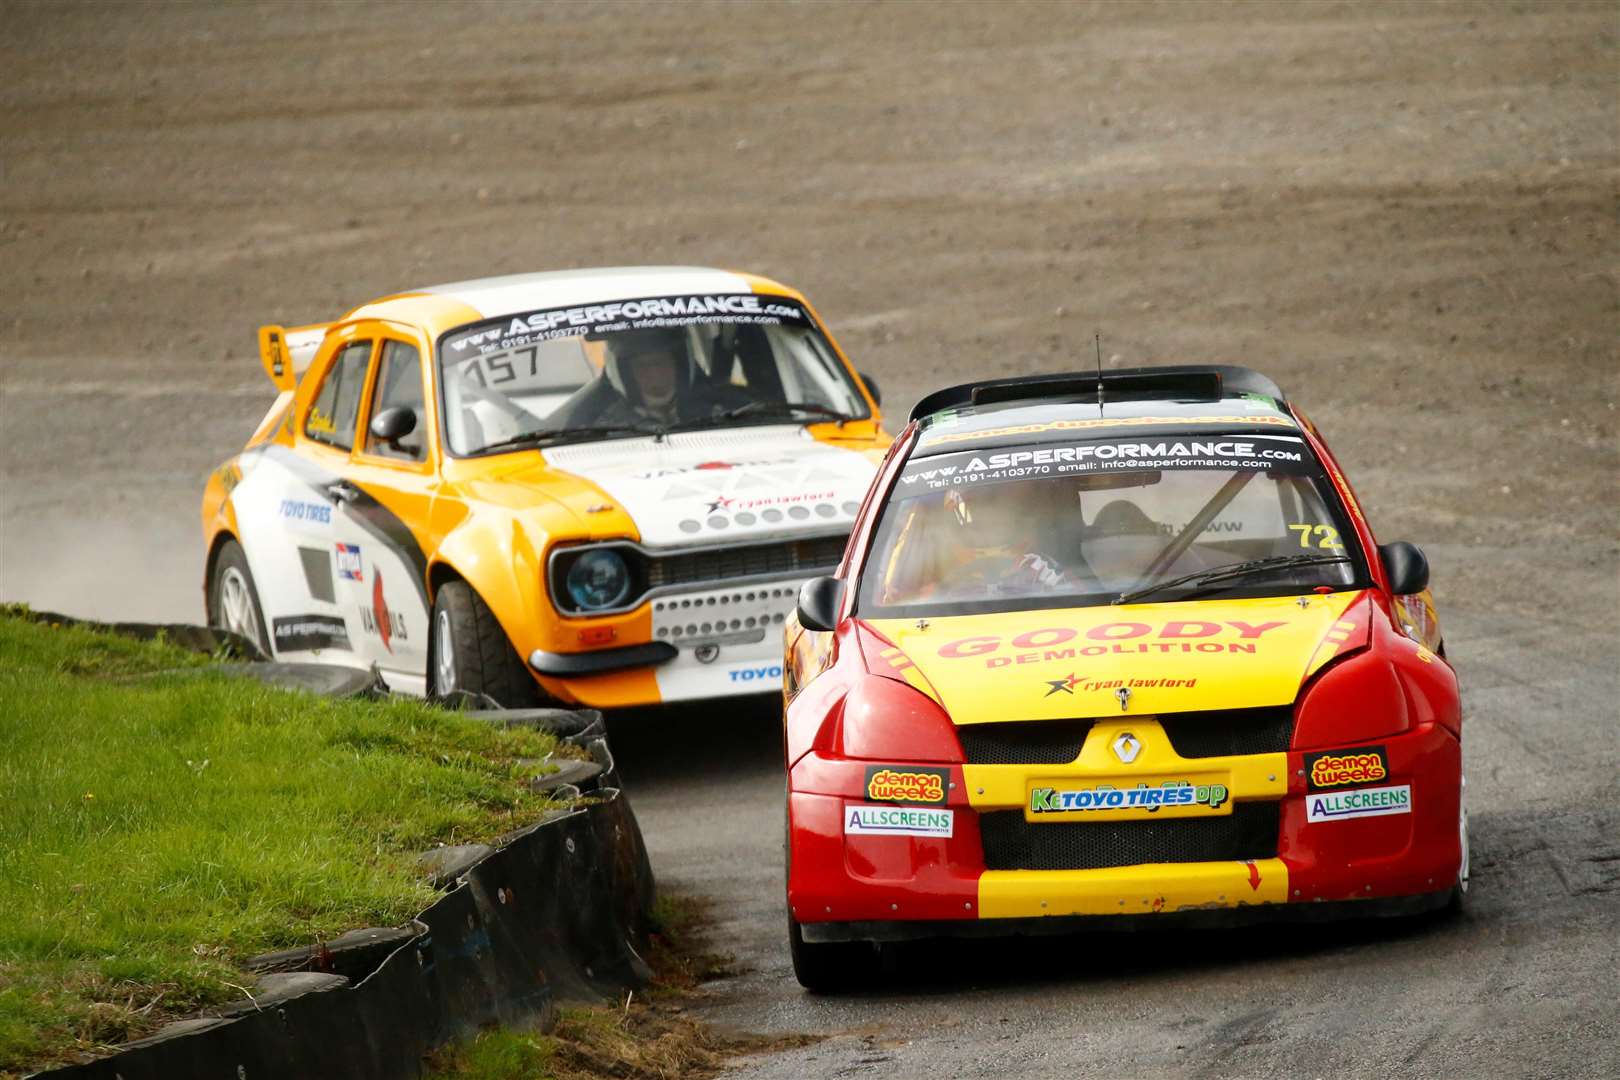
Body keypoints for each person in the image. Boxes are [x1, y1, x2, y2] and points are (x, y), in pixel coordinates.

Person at [586, 330, 744, 427]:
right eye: (642, 366)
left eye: (660, 363)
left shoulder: (725, 414)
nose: (654, 374)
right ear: (627, 375)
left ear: (679, 366)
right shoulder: (606, 430)